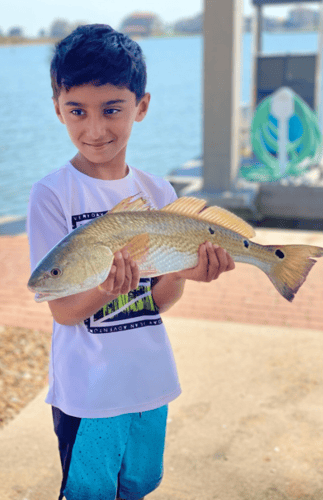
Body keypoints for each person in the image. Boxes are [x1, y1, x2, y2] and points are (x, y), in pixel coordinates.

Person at [27, 24, 235, 500]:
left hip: (150, 380)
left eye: (112, 109)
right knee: (90, 492)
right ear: (57, 107)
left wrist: (184, 273)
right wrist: (104, 289)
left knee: (138, 484)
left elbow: (157, 303)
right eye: (77, 110)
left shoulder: (158, 192)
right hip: (90, 393)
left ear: (141, 106)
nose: (95, 128)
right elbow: (60, 309)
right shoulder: (52, 194)